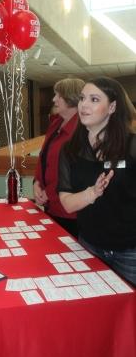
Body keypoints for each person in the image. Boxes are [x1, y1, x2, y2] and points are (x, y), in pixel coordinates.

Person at [58, 77, 136, 287]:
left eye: (94, 99)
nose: (84, 105)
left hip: (130, 251)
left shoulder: (131, 145)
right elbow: (66, 202)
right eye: (83, 98)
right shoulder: (70, 151)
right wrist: (91, 193)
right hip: (89, 247)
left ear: (112, 107)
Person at [33, 78, 85, 237]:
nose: (53, 99)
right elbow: (44, 158)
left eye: (58, 95)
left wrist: (49, 191)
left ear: (72, 98)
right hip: (51, 206)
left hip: (71, 213)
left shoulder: (83, 131)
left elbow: (77, 173)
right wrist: (37, 183)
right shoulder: (56, 123)